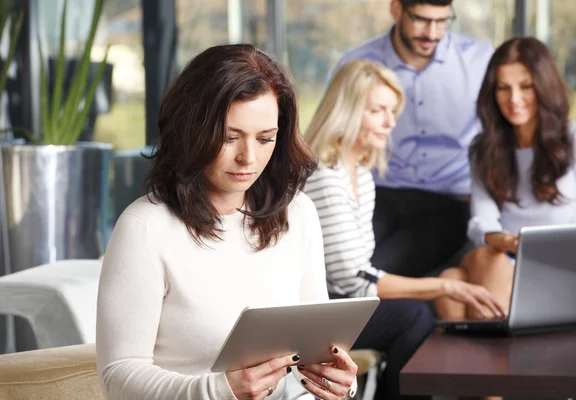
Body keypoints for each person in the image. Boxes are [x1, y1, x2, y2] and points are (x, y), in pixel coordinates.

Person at [96, 44, 358, 400]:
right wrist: (218, 391)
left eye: (265, 138)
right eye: (229, 137)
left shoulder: (298, 213)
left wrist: (336, 382)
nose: (248, 157)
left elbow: (315, 350)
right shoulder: (145, 228)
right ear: (193, 130)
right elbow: (117, 375)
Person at [303, 59, 505, 400]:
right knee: (412, 317)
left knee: (419, 310)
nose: (390, 122)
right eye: (377, 111)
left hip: (341, 301)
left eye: (391, 111)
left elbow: (360, 273)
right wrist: (442, 287)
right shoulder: (326, 176)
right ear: (348, 111)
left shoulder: (360, 175)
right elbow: (352, 279)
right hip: (316, 308)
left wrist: (441, 288)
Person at [435, 37, 576, 320]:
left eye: (525, 87)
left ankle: (491, 360)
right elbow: (482, 224)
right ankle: (498, 360)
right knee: (458, 275)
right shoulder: (483, 149)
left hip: (566, 272)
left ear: (544, 87)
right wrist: (509, 242)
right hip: (505, 258)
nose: (514, 99)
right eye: (503, 88)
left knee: (458, 277)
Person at [333, 0, 495, 278]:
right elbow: (337, 135)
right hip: (379, 194)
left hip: (450, 200)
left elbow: (501, 136)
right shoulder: (358, 65)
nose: (432, 33)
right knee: (344, 265)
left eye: (442, 21)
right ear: (396, 10)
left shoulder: (479, 61)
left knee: (373, 271)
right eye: (421, 19)